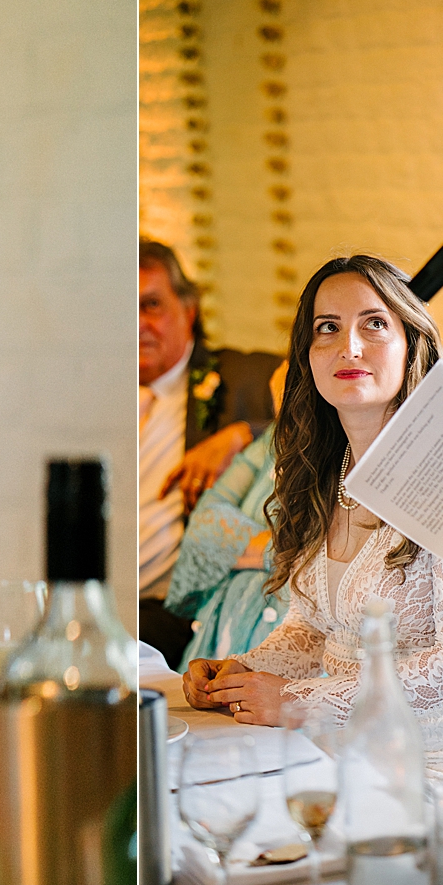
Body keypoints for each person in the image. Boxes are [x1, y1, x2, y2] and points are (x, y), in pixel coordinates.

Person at [184, 256, 443, 846]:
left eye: (374, 324)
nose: (348, 345)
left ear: (412, 345)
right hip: (342, 751)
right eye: (326, 328)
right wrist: (243, 672)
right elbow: (313, 629)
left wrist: (299, 700)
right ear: (307, 356)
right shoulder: (322, 475)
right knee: (208, 821)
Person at [138, 238, 280, 662]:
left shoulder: (240, 376)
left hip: (173, 607)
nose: (138, 323)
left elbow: (318, 398)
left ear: (189, 309)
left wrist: (243, 431)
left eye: (151, 305)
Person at [165, 360, 290, 669]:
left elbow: (332, 550)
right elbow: (204, 522)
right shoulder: (269, 443)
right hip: (219, 631)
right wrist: (281, 551)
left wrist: (237, 545)